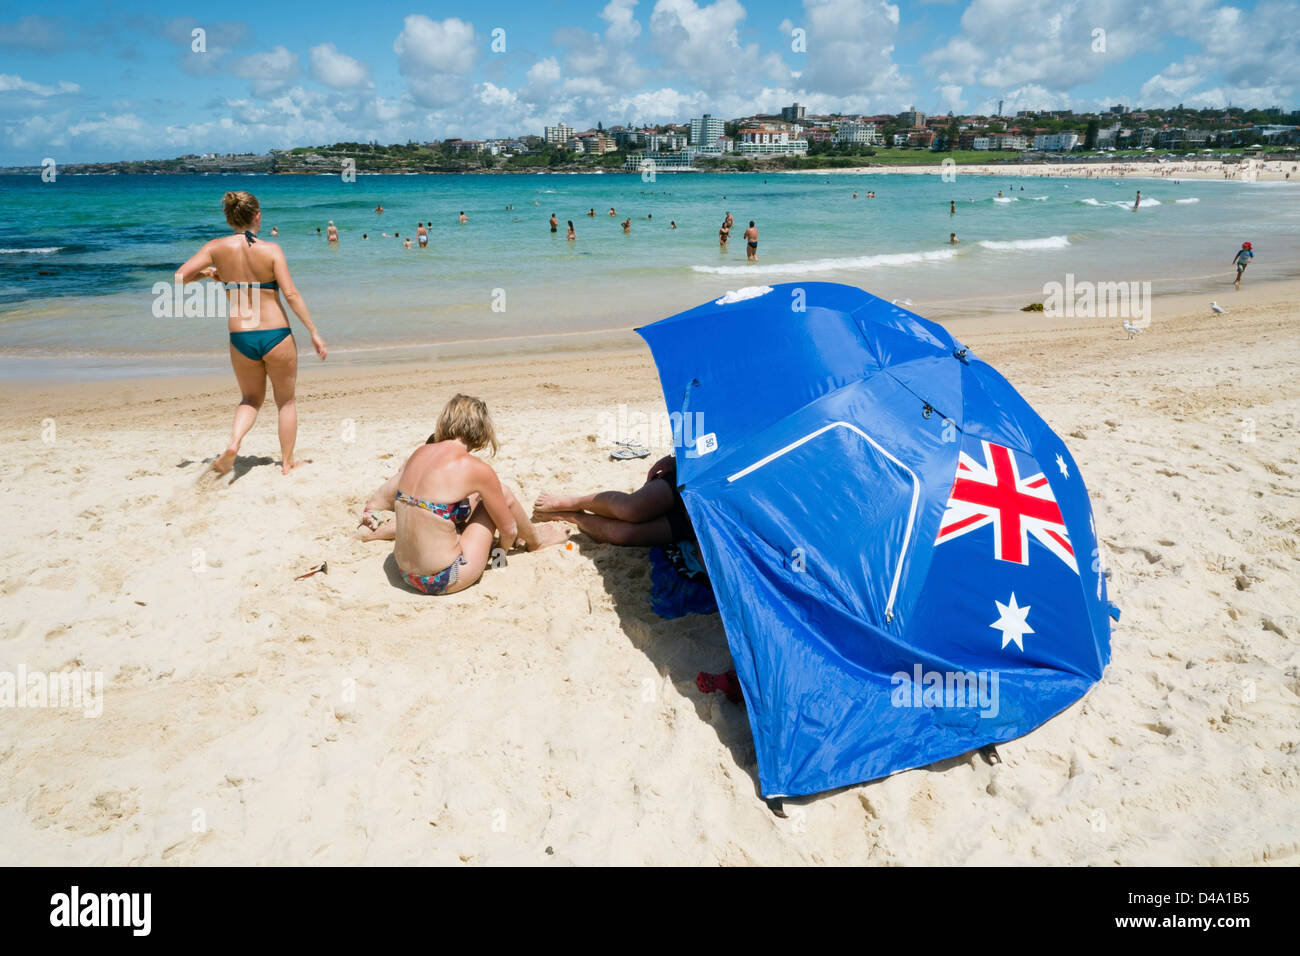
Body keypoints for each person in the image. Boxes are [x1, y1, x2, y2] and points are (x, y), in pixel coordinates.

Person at [174, 190, 327, 475]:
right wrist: (314, 331)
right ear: (257, 215)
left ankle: (233, 443)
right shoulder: (272, 250)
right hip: (276, 334)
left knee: (250, 399)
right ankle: (287, 463)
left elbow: (181, 276)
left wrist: (208, 273)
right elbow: (291, 294)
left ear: (229, 217)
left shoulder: (215, 247)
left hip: (241, 336)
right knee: (286, 401)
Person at [357, 395, 568, 594]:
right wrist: (499, 553)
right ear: (482, 429)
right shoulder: (475, 468)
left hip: (405, 574)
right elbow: (509, 530)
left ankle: (534, 537)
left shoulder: (419, 453)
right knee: (502, 493)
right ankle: (536, 541)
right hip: (443, 578)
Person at [532, 454, 693, 547]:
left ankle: (573, 517)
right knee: (631, 508)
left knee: (624, 534)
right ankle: (573, 502)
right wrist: (675, 456)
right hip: (698, 477)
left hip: (707, 517)